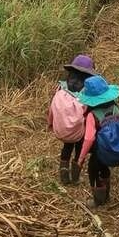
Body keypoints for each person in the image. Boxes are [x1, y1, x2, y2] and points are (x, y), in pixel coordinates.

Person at [77, 74, 119, 206]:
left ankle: (98, 199)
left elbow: (89, 139)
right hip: (116, 148)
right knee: (104, 168)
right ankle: (106, 196)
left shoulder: (92, 115)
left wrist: (81, 158)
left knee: (93, 169)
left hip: (100, 151)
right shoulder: (116, 108)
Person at [48, 55, 95, 185]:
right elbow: (90, 111)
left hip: (66, 129)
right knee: (79, 150)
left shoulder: (63, 87)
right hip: (80, 130)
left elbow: (53, 106)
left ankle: (64, 175)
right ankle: (75, 177)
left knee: (67, 147)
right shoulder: (86, 90)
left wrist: (50, 122)